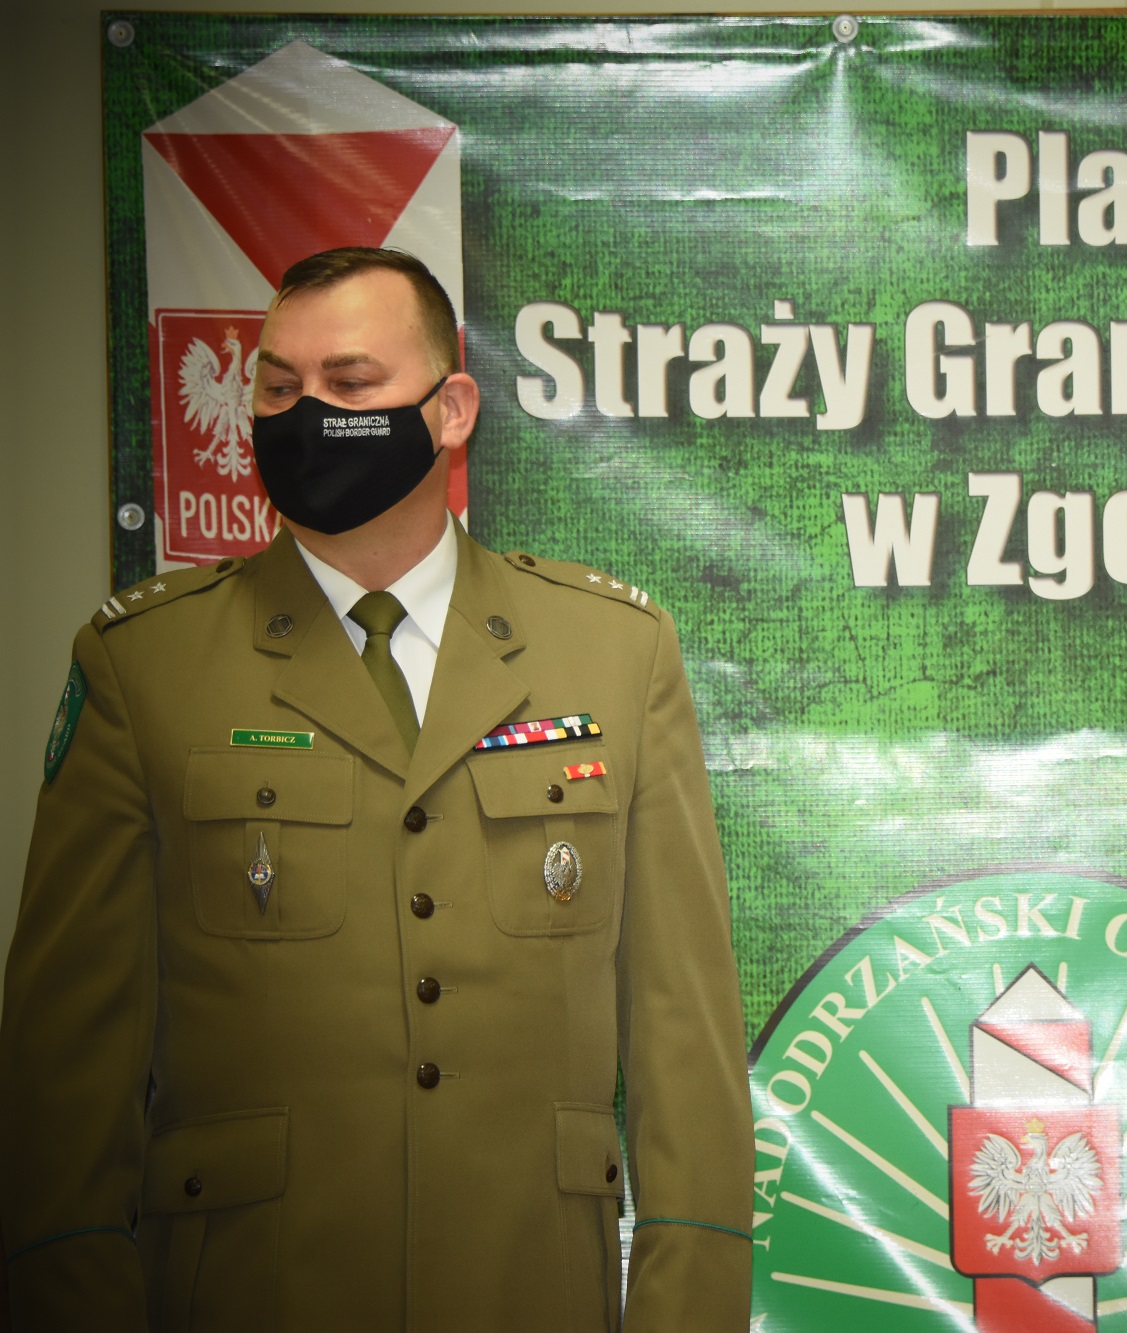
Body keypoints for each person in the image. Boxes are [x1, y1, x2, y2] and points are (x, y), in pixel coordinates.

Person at [0, 248, 752, 1329]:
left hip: (530, 1292)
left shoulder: (614, 654)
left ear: (451, 411)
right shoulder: (145, 668)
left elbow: (685, 1043)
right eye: (278, 388)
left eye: (349, 384)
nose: (305, 415)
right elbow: (62, 1087)